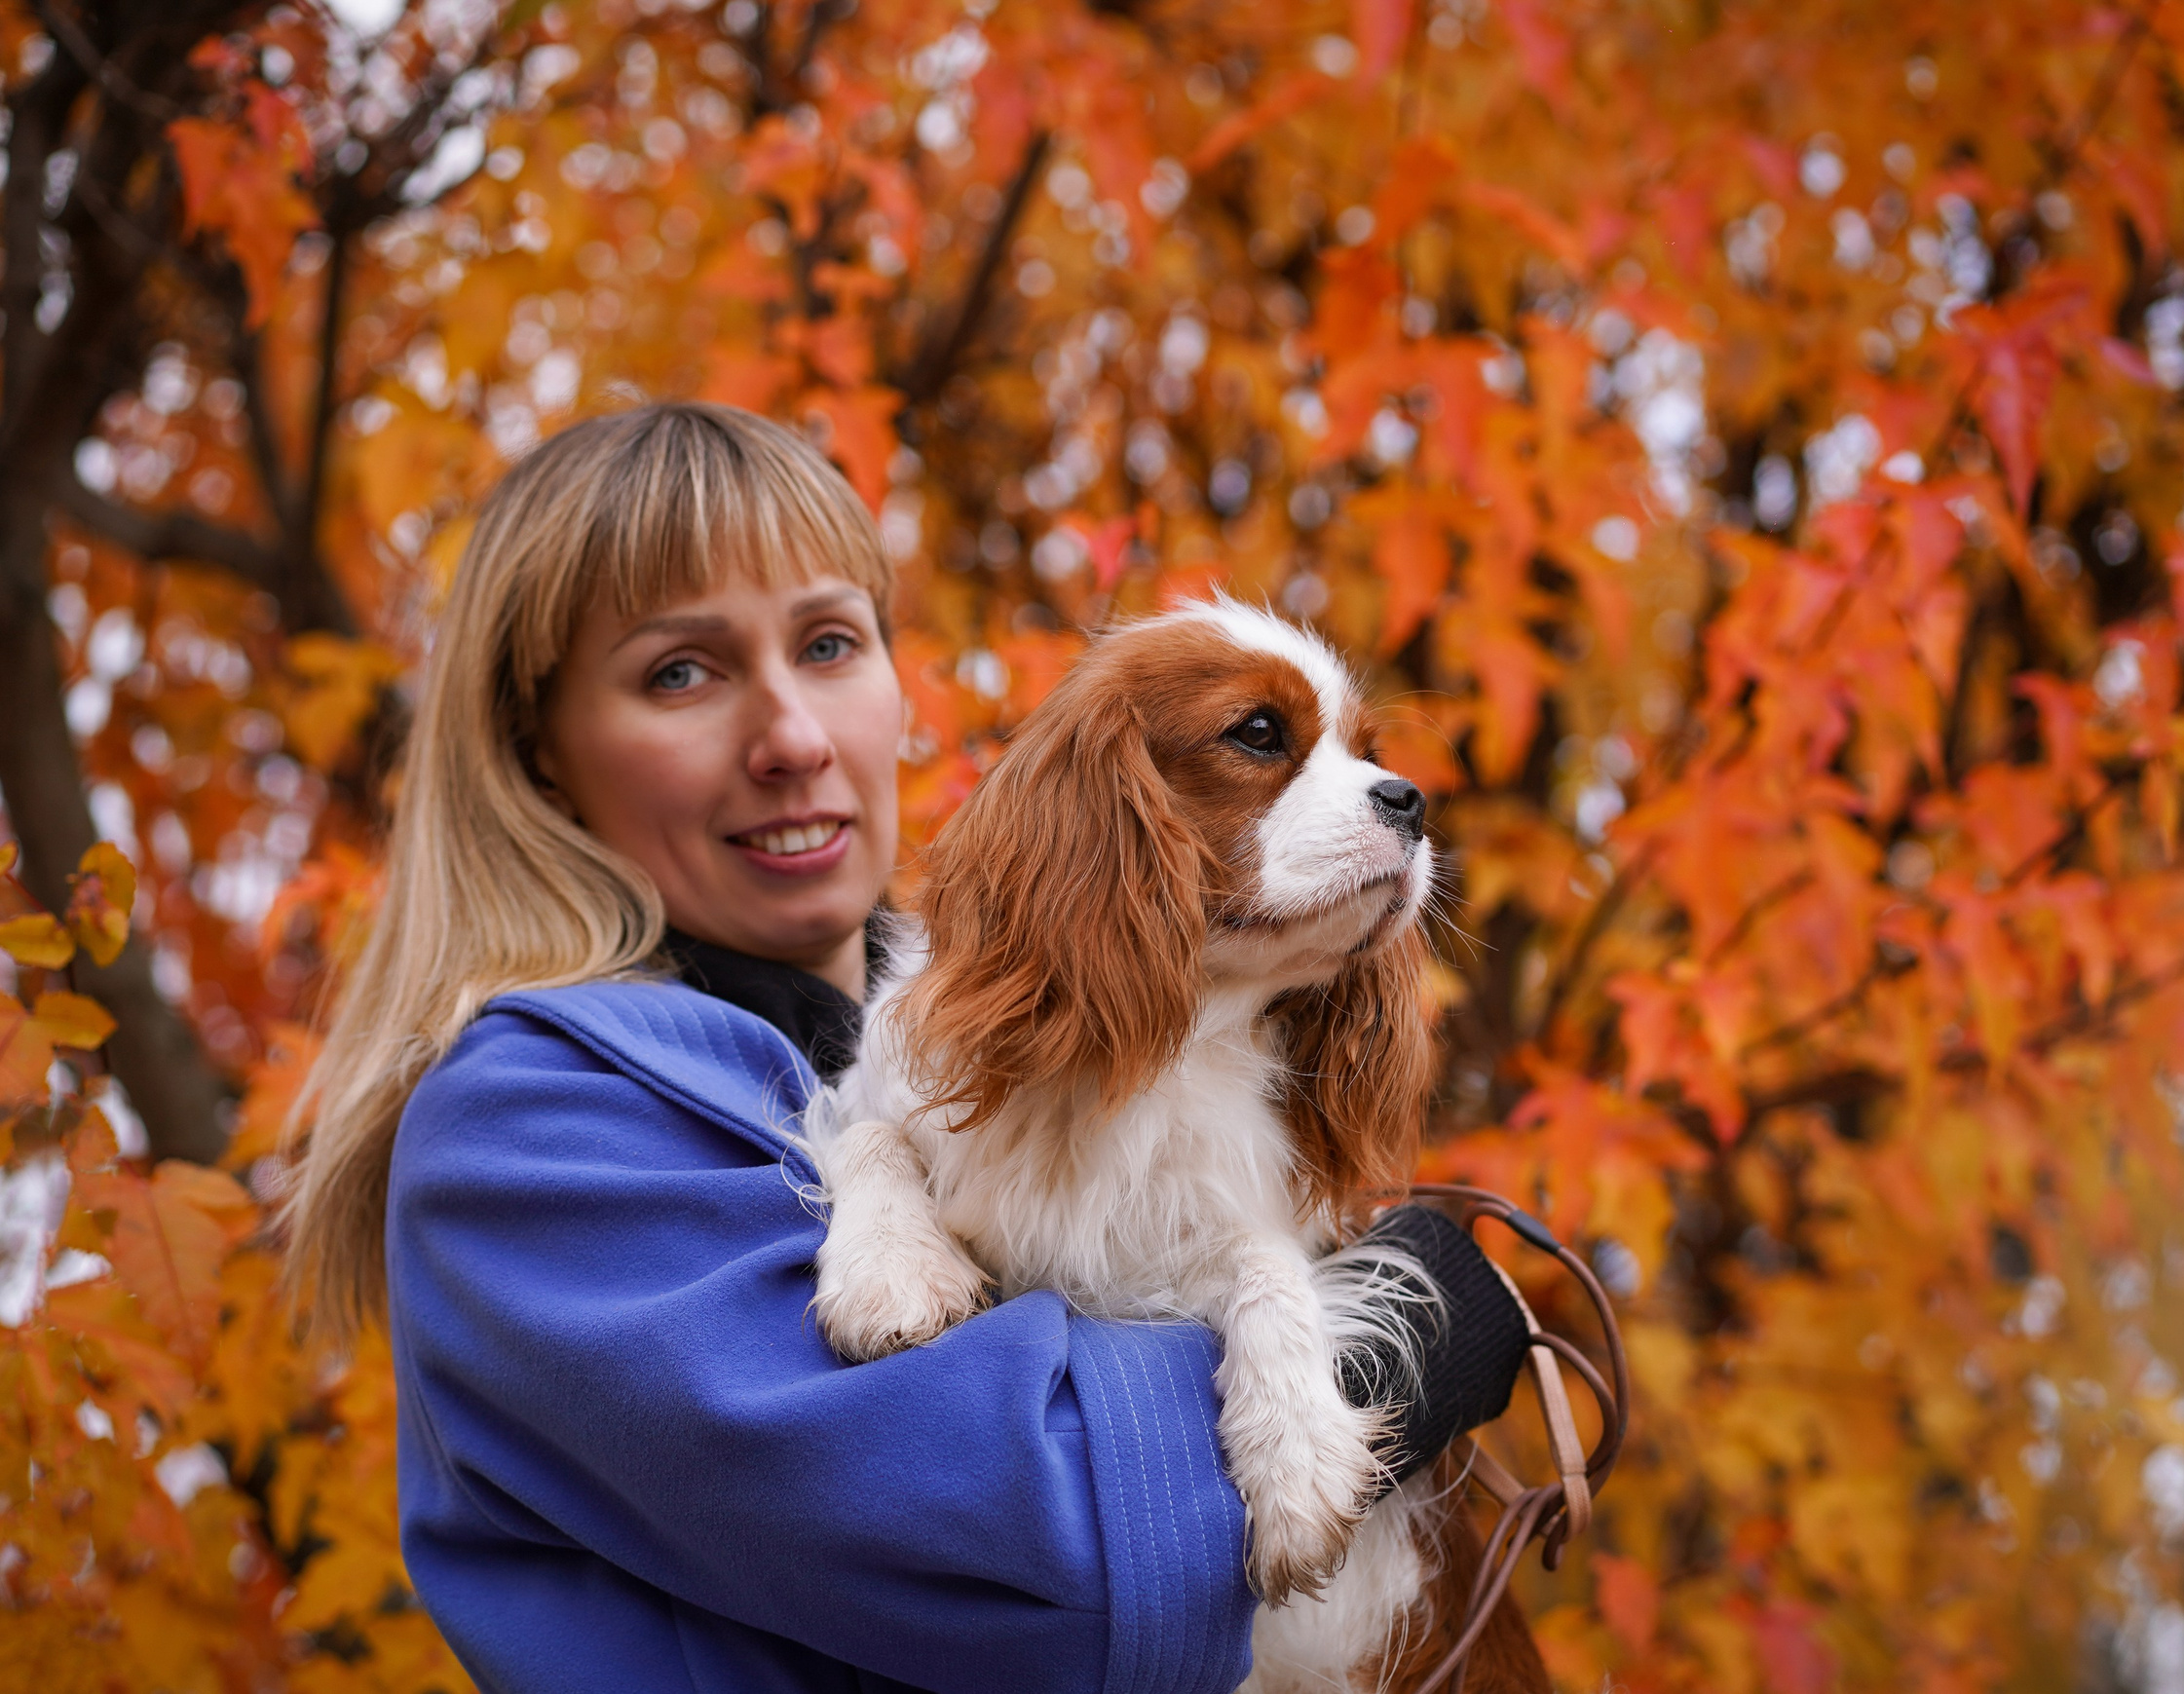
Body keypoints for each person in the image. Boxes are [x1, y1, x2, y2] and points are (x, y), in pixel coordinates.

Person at [282, 402, 1528, 1694]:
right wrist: (1391, 1346)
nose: (794, 739)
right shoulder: (522, 1134)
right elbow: (1048, 1549)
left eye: (830, 643)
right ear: (540, 760)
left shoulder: (1004, 1047)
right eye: (681, 673)